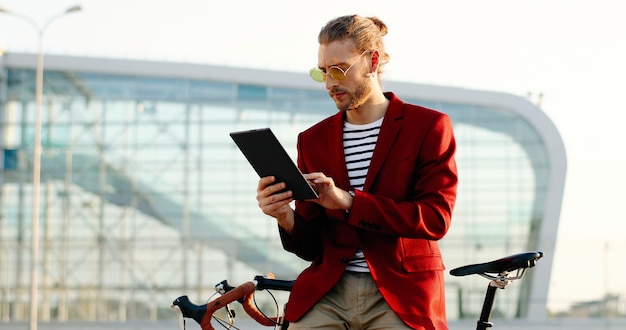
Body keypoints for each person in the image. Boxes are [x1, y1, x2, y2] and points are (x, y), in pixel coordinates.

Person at [256, 14, 458, 330]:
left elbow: (435, 219)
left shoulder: (428, 127)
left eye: (339, 69)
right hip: (328, 292)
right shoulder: (312, 140)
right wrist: (285, 216)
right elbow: (310, 247)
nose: (329, 83)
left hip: (400, 293)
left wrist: (349, 202)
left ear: (372, 61)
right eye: (322, 72)